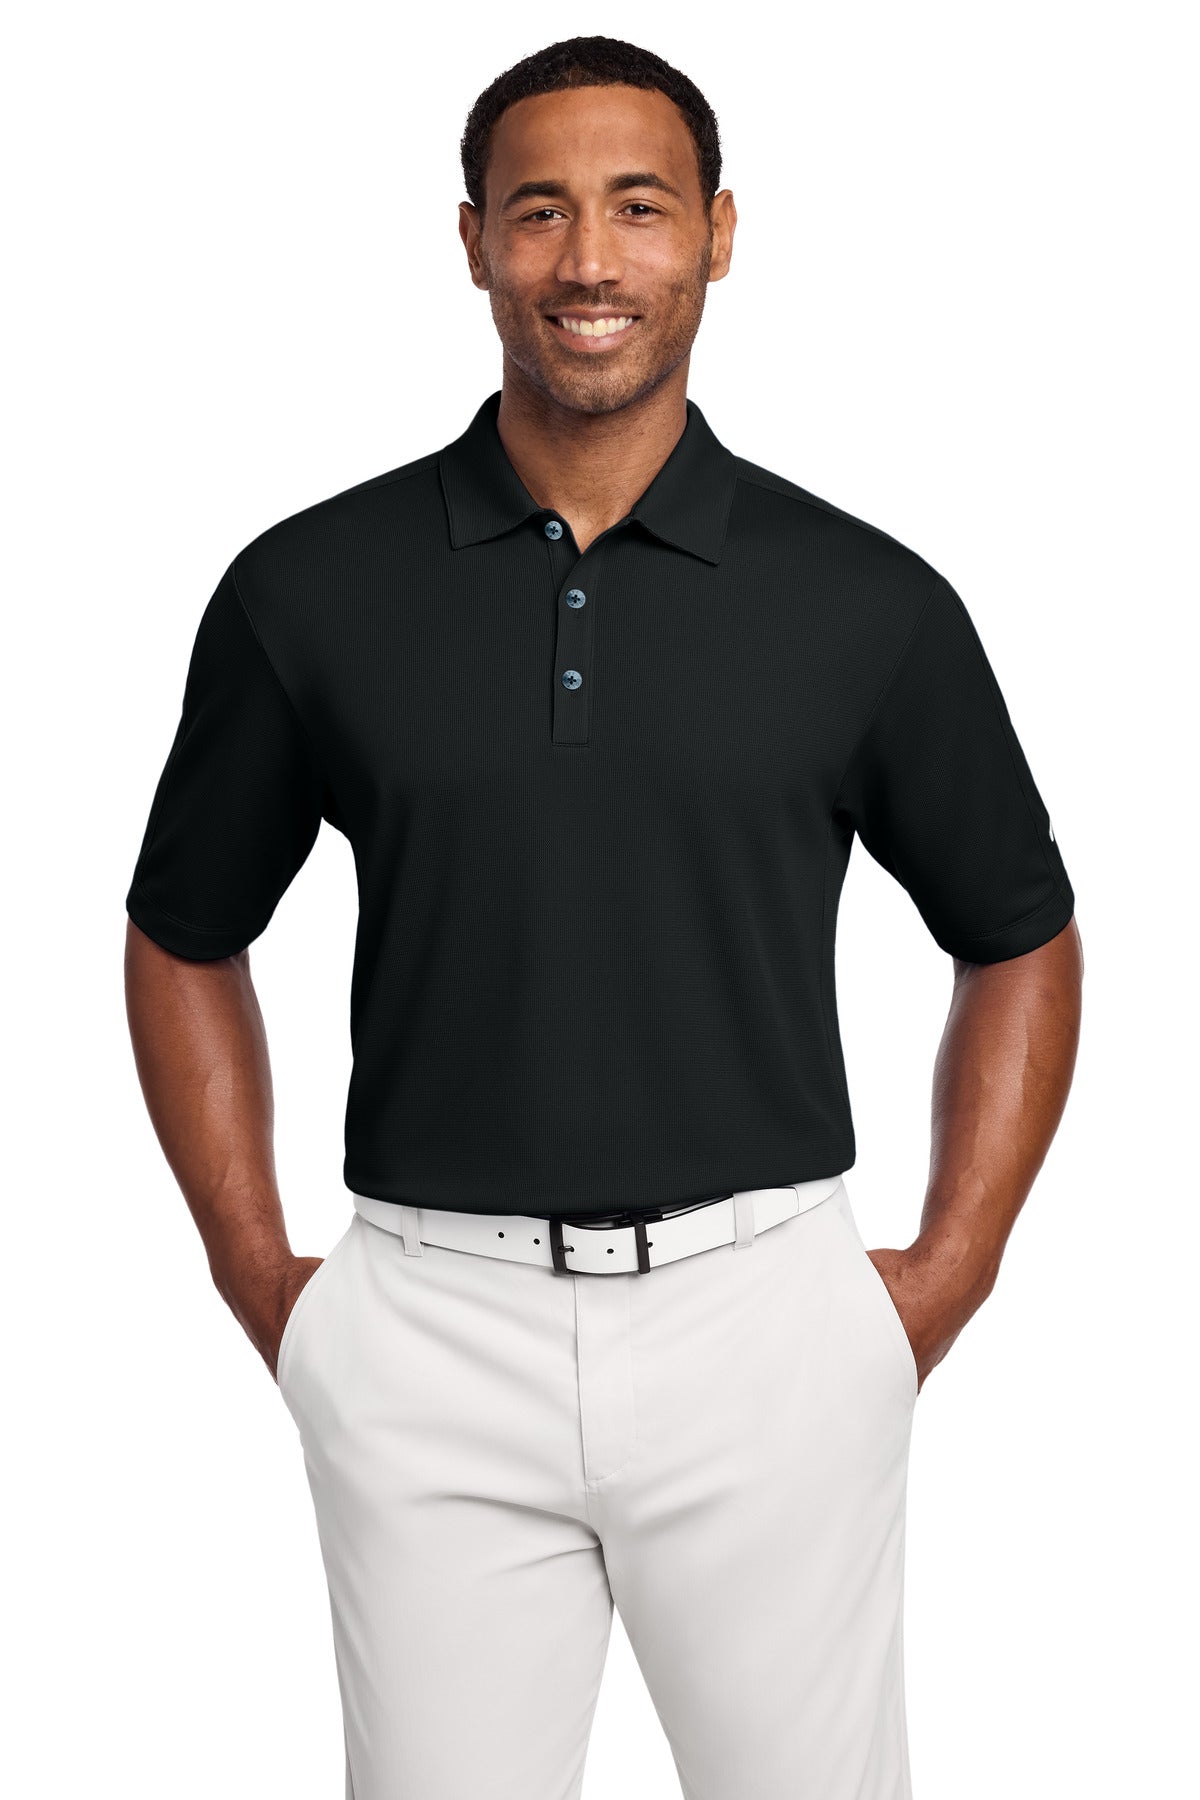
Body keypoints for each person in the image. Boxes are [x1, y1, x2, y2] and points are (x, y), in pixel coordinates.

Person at [123, 34, 1083, 1800]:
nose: (588, 261)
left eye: (640, 207)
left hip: (768, 1326)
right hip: (427, 1327)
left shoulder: (866, 602)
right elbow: (185, 931)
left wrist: (945, 1277)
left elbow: (1019, 932)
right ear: (472, 240)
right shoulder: (305, 591)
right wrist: (264, 1282)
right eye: (539, 210)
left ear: (719, 233)